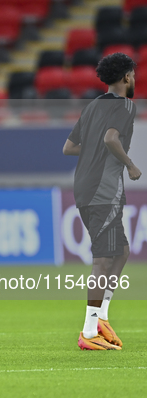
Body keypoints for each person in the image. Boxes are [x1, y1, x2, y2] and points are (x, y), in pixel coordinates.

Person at [63, 52, 142, 350]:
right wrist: (130, 164)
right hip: (102, 190)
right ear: (125, 78)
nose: (133, 79)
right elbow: (111, 138)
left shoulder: (93, 105)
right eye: (132, 75)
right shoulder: (125, 105)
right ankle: (88, 332)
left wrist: (95, 151)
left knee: (121, 250)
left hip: (85, 186)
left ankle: (101, 317)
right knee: (104, 258)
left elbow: (69, 147)